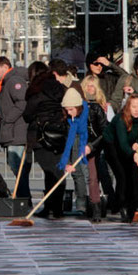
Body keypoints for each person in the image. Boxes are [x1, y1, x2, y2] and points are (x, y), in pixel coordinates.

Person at [23, 67, 68, 219]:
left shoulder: (37, 94)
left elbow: (27, 115)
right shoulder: (62, 91)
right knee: (58, 171)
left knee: (48, 172)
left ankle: (49, 207)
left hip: (41, 136)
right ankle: (57, 208)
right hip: (60, 134)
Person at [0, 57, 31, 200]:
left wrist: (8, 119)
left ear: (5, 67)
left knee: (18, 166)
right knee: (16, 165)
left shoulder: (14, 81)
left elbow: (22, 102)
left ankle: (24, 198)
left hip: (17, 131)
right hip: (12, 130)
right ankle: (23, 197)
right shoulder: (7, 82)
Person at [80, 74, 114, 214]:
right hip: (87, 144)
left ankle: (109, 201)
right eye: (87, 85)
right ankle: (93, 204)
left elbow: (107, 127)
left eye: (93, 85)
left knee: (104, 174)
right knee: (90, 175)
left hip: (100, 144)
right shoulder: (80, 105)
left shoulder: (103, 105)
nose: (90, 88)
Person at [111, 94, 138, 222]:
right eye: (133, 107)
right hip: (114, 145)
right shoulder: (120, 120)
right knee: (122, 176)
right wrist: (134, 154)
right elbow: (122, 143)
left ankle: (135, 206)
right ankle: (123, 206)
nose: (136, 110)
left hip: (130, 146)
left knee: (135, 175)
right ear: (128, 107)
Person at [57, 87, 89, 217]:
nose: (69, 113)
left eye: (71, 109)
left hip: (84, 144)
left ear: (78, 106)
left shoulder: (87, 113)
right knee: (74, 173)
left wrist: (89, 146)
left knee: (80, 174)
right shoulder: (67, 118)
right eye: (67, 110)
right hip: (70, 143)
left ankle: (82, 203)